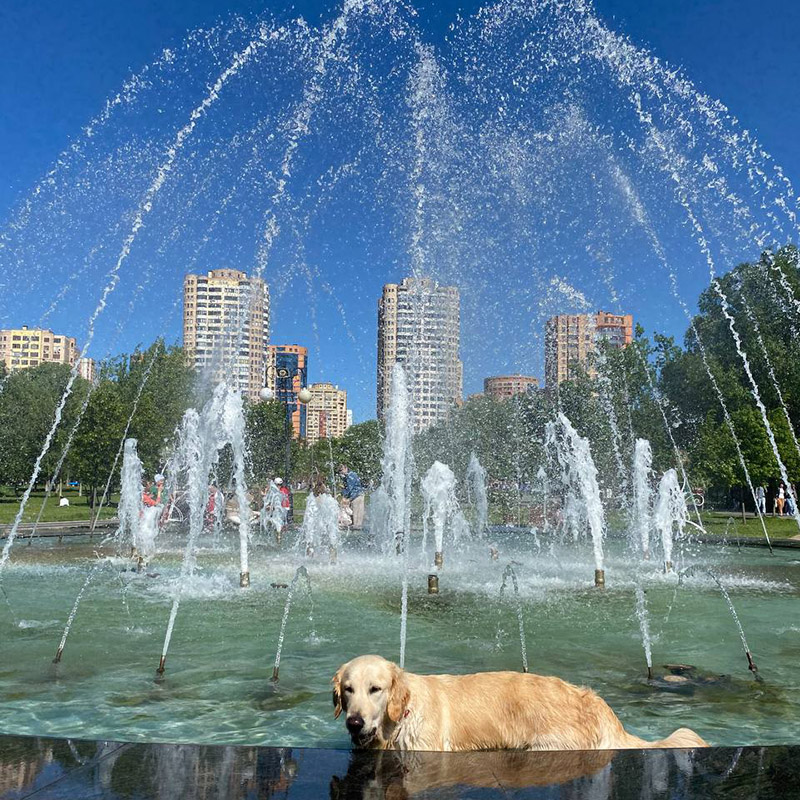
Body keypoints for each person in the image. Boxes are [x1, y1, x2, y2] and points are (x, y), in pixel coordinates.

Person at [339, 463, 365, 530]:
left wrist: (347, 498)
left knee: (357, 518)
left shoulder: (350, 476)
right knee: (354, 516)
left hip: (357, 497)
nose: (340, 472)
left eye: (341, 470)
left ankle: (357, 534)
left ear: (346, 468)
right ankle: (355, 529)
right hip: (355, 496)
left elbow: (350, 489)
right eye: (339, 471)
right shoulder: (348, 476)